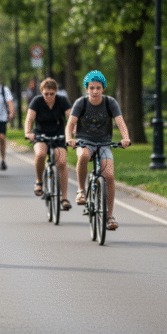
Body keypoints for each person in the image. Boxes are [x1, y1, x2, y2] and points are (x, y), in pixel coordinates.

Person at [65, 70, 131, 230]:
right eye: (92, 88)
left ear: (103, 89)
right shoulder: (81, 103)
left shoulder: (110, 103)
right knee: (84, 155)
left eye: (98, 88)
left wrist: (126, 138)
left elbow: (121, 123)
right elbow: (70, 124)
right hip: (84, 141)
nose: (95, 91)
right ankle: (81, 191)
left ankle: (109, 216)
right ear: (86, 89)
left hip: (104, 143)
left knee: (109, 175)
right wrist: (69, 139)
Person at [24, 78, 73, 210]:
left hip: (58, 136)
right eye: (46, 94)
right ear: (42, 92)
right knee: (40, 154)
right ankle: (39, 181)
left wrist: (74, 132)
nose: (49, 97)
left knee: (62, 162)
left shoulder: (62, 101)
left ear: (56, 92)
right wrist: (28, 132)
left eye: (52, 94)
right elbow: (29, 119)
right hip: (40, 135)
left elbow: (72, 118)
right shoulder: (37, 101)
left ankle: (64, 198)